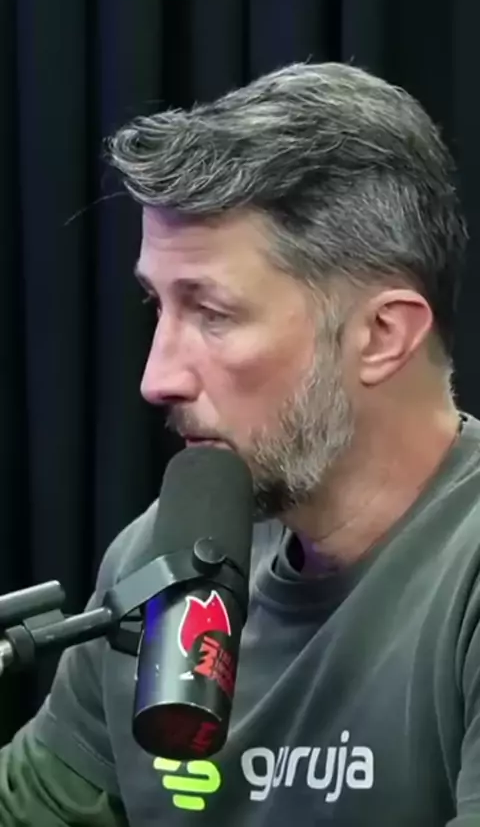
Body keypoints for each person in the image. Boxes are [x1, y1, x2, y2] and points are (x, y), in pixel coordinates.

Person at [0, 60, 477, 826]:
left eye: (212, 314)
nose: (157, 379)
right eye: (158, 306)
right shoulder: (156, 559)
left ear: (382, 335)